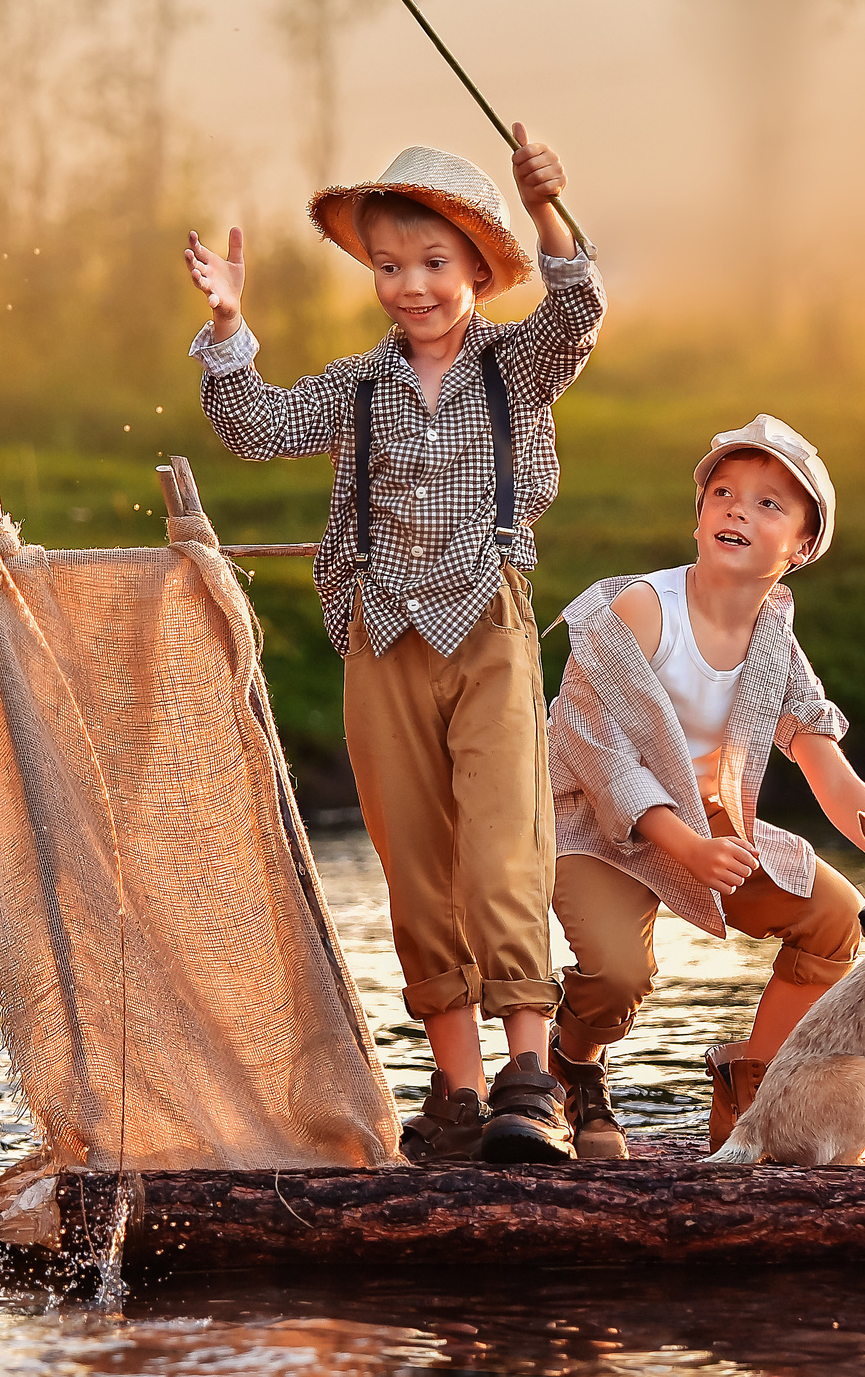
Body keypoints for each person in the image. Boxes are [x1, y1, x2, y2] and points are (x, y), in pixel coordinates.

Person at [181, 125, 603, 1164]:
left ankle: (529, 1080)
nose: (410, 286)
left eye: (433, 263)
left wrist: (546, 207)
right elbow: (257, 429)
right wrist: (230, 323)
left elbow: (579, 310)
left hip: (487, 626)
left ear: (478, 270)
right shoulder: (356, 384)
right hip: (380, 632)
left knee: (502, 850)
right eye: (388, 266)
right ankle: (457, 1092)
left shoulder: (517, 365)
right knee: (413, 862)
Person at [543, 416, 865, 1159]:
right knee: (618, 978)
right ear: (700, 515)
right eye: (724, 494)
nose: (738, 509)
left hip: (711, 825)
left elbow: (823, 760)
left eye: (769, 504)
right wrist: (688, 847)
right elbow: (599, 754)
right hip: (594, 823)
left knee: (836, 919)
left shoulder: (775, 639)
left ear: (801, 546)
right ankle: (573, 1065)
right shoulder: (639, 611)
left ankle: (755, 1090)